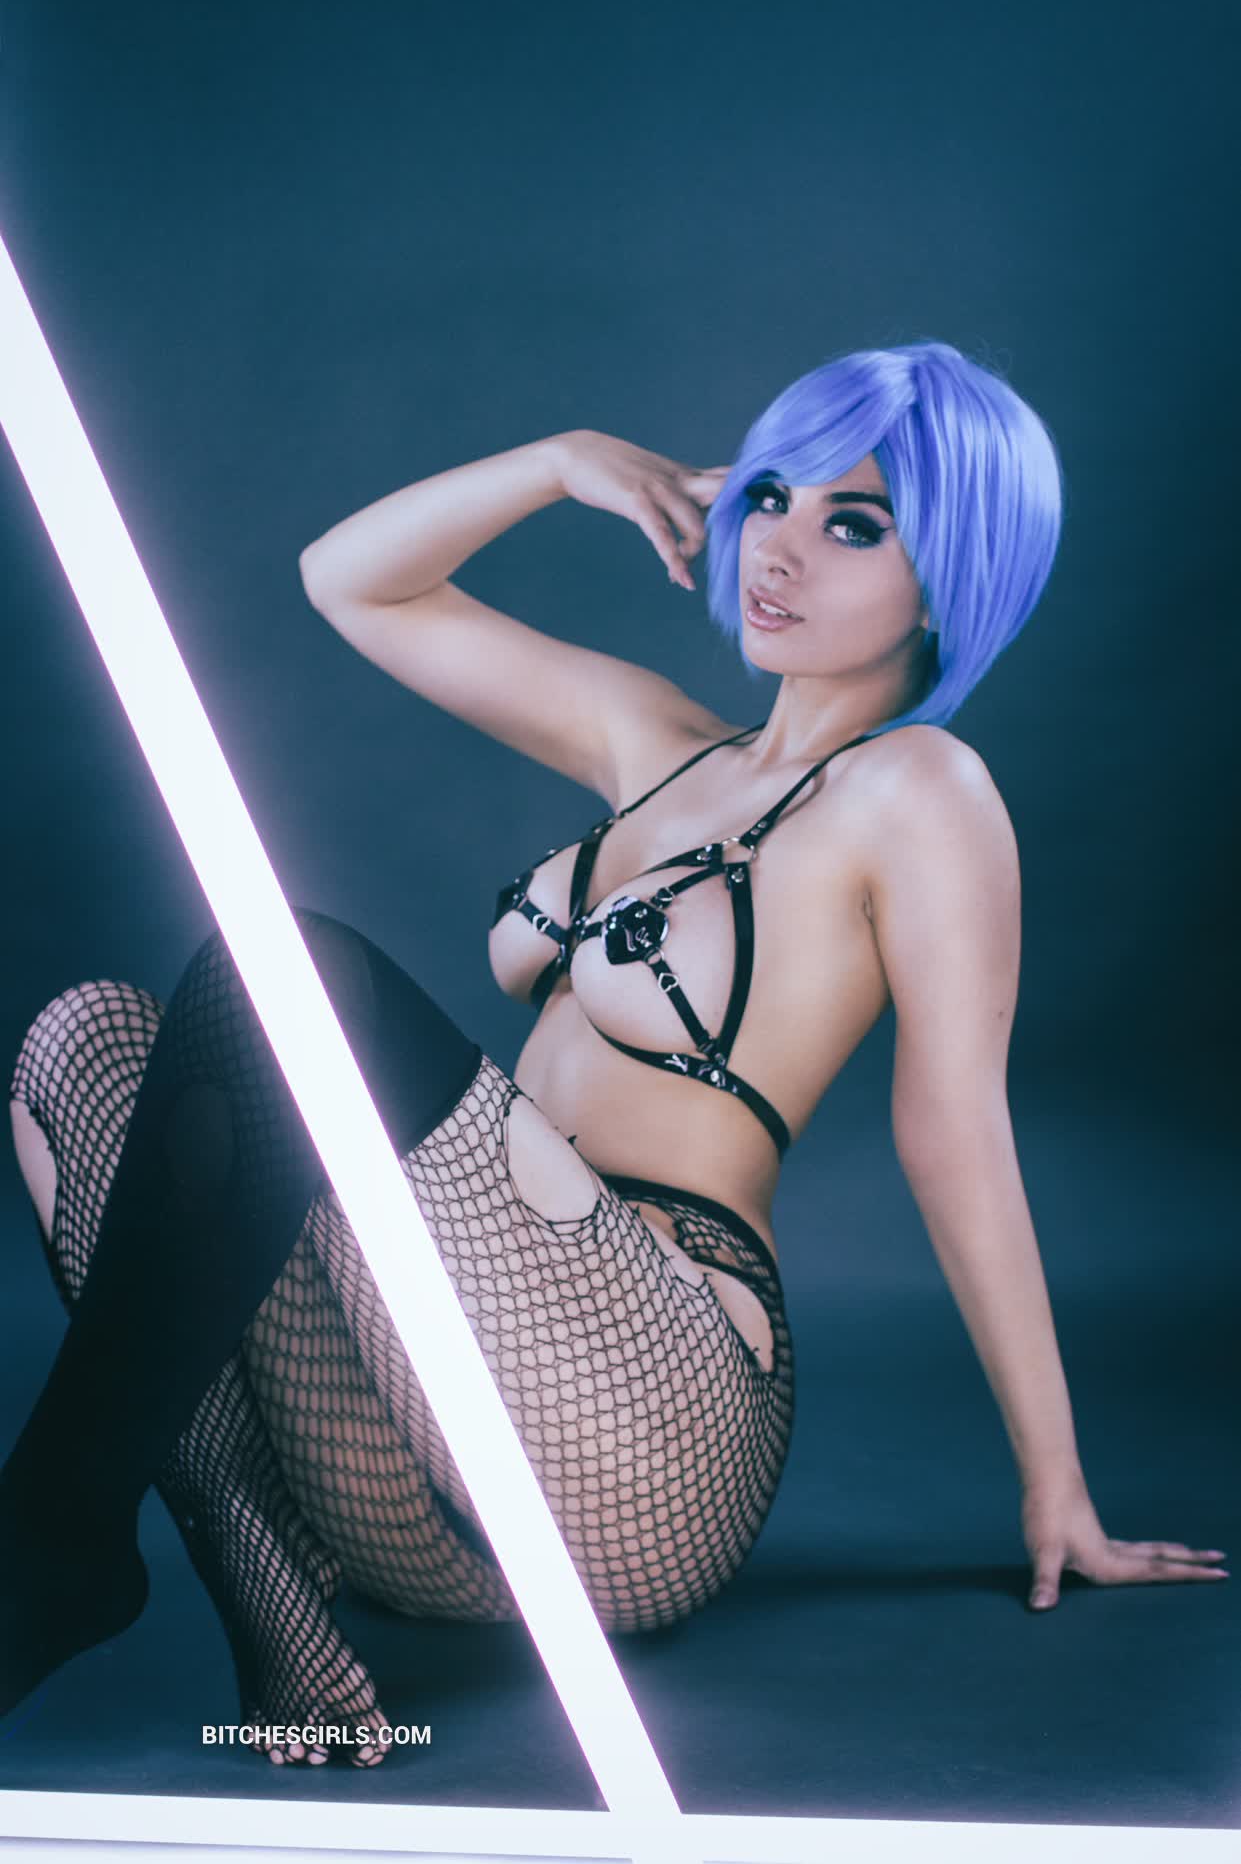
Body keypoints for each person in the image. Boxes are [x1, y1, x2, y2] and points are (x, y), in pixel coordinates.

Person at [2, 341, 1226, 1769]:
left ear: (952, 575)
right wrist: (560, 461)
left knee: (301, 977)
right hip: (416, 1466)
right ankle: (263, 1594)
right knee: (86, 1047)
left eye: (854, 524)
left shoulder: (918, 789)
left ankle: (47, 1540)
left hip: (645, 1439)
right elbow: (351, 582)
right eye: (769, 495)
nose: (780, 547)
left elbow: (955, 1129)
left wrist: (1054, 1484)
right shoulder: (654, 740)